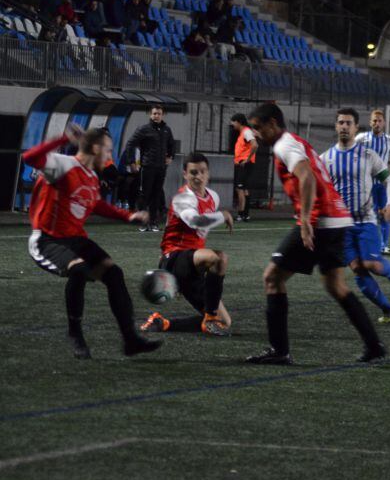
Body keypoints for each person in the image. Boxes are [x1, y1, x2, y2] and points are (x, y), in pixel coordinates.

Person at [244, 102, 386, 365]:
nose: (255, 133)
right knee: (335, 284)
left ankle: (280, 351)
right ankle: (374, 345)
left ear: (273, 124)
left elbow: (306, 178)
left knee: (272, 278)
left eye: (257, 127)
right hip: (338, 218)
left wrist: (307, 221)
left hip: (321, 221)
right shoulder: (294, 141)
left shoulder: (284, 145)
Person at [22, 124, 161, 359]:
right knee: (78, 270)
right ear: (95, 148)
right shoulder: (63, 165)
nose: (109, 156)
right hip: (47, 240)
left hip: (75, 239)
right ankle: (75, 334)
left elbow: (95, 204)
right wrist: (62, 139)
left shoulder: (90, 176)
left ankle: (130, 340)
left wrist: (128, 215)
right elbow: (29, 157)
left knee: (114, 274)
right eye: (107, 150)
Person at [323, 108, 390, 323]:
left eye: (348, 123)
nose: (344, 126)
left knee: (371, 264)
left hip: (365, 221)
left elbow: (389, 180)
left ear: (356, 128)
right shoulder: (325, 158)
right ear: (336, 127)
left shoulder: (367, 155)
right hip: (341, 226)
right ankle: (388, 310)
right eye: (341, 122)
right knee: (357, 269)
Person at [141, 153, 234, 337]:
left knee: (224, 322)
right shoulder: (182, 198)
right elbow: (196, 222)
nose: (198, 176)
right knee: (219, 258)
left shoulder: (213, 197)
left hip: (193, 263)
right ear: (185, 174)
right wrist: (222, 215)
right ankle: (209, 317)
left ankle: (163, 323)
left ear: (208, 174)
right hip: (175, 258)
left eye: (202, 172)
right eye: (193, 172)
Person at [122, 104, 175, 232]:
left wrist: (170, 156)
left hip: (161, 168)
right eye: (154, 113)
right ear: (150, 115)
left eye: (159, 113)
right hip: (147, 167)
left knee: (156, 195)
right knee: (144, 195)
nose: (156, 116)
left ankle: (153, 223)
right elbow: (130, 144)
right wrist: (131, 162)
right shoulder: (143, 129)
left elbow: (171, 145)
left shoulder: (167, 130)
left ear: (163, 115)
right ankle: (142, 222)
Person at [356, 109, 390, 256]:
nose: (377, 123)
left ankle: (384, 246)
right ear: (370, 122)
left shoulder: (389, 140)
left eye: (380, 120)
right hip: (365, 184)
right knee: (366, 214)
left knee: (385, 213)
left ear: (384, 123)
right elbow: (352, 152)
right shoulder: (362, 138)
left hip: (381, 184)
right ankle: (365, 244)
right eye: (374, 120)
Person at [230, 113, 257, 221]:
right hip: (243, 163)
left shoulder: (246, 131)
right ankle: (245, 214)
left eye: (233, 122)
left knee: (240, 189)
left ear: (239, 122)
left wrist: (247, 159)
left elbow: (255, 145)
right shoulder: (244, 132)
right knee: (244, 189)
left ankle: (241, 214)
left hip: (244, 163)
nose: (232, 124)